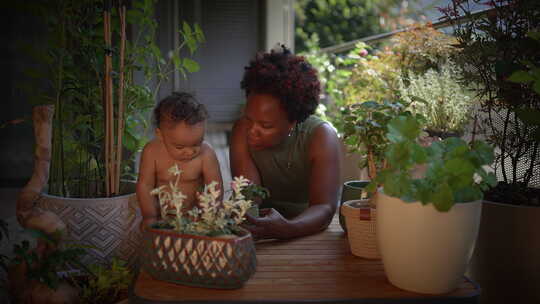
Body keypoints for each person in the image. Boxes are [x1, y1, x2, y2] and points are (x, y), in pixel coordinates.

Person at [230, 45, 342, 240]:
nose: (252, 130)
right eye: (249, 118)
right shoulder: (241, 130)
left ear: (293, 121)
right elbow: (250, 197)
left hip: (309, 232)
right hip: (262, 232)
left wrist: (289, 228)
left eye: (265, 125)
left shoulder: (321, 136)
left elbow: (324, 207)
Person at [136, 92, 223, 229]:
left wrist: (208, 215)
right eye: (180, 146)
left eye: (197, 143)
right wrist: (150, 216)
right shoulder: (152, 152)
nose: (189, 152)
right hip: (162, 217)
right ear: (160, 135)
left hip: (194, 217)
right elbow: (145, 185)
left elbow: (215, 188)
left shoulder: (206, 154)